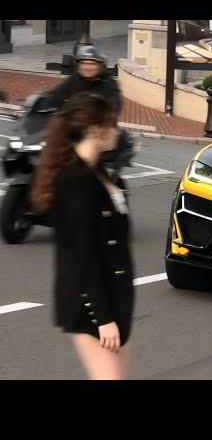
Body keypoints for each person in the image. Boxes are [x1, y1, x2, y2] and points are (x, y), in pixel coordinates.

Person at [31, 93, 135, 380]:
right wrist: (103, 319)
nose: (117, 130)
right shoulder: (75, 181)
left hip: (112, 299)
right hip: (89, 304)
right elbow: (82, 254)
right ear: (95, 129)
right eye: (112, 124)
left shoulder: (98, 172)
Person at [46, 45, 123, 115]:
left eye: (92, 64)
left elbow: (113, 109)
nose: (87, 68)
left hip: (98, 126)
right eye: (83, 63)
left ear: (100, 66)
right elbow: (56, 95)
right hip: (71, 125)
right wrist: (43, 100)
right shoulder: (74, 79)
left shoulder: (109, 84)